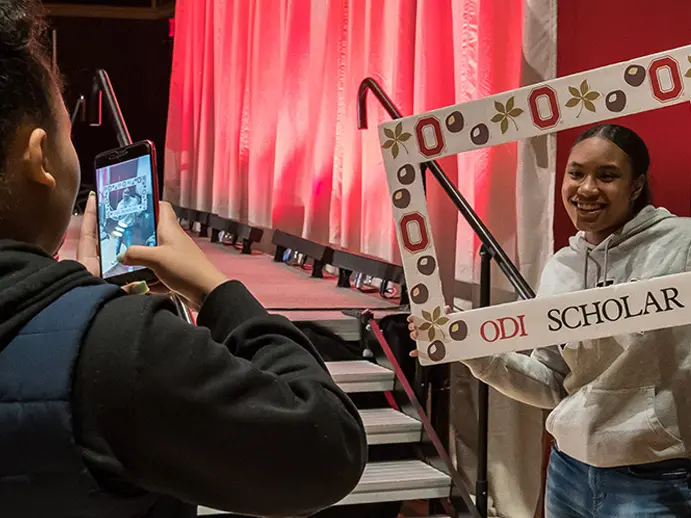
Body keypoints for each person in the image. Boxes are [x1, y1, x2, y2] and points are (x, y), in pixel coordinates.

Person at [0, 2, 367, 517]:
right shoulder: (122, 348)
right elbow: (327, 447)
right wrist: (217, 292)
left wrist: (69, 301)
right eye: (67, 131)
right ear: (40, 158)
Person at [409, 123, 691, 516]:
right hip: (568, 472)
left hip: (655, 479)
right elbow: (554, 382)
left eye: (607, 175)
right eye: (576, 173)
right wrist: (473, 348)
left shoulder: (682, 244)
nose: (587, 188)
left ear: (637, 184)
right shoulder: (561, 267)